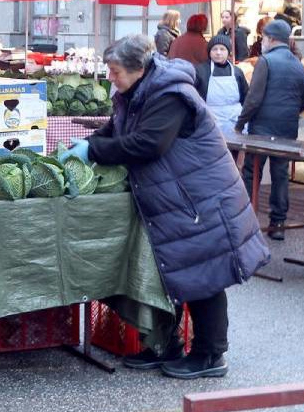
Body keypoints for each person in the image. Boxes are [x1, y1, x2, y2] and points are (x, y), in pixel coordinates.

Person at [60, 34, 269, 379]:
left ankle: (210, 355)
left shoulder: (170, 95)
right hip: (175, 196)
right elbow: (117, 129)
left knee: (204, 275)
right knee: (168, 272)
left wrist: (92, 152)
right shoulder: (134, 93)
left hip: (199, 196)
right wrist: (88, 142)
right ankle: (164, 346)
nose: (110, 78)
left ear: (139, 69)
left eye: (114, 72)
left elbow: (148, 144)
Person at [235, 20, 304, 241]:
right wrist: (290, 112)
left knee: (252, 173)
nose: (262, 42)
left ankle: (245, 223)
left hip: (261, 129)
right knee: (280, 175)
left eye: (264, 38)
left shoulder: (266, 61)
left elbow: (253, 98)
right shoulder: (298, 65)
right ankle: (278, 223)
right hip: (287, 130)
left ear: (270, 39)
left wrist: (240, 124)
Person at [194, 35, 248, 135]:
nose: (218, 53)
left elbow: (246, 98)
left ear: (228, 52)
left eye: (222, 49)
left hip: (235, 121)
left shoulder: (237, 72)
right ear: (209, 52)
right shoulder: (200, 71)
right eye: (215, 49)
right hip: (211, 121)